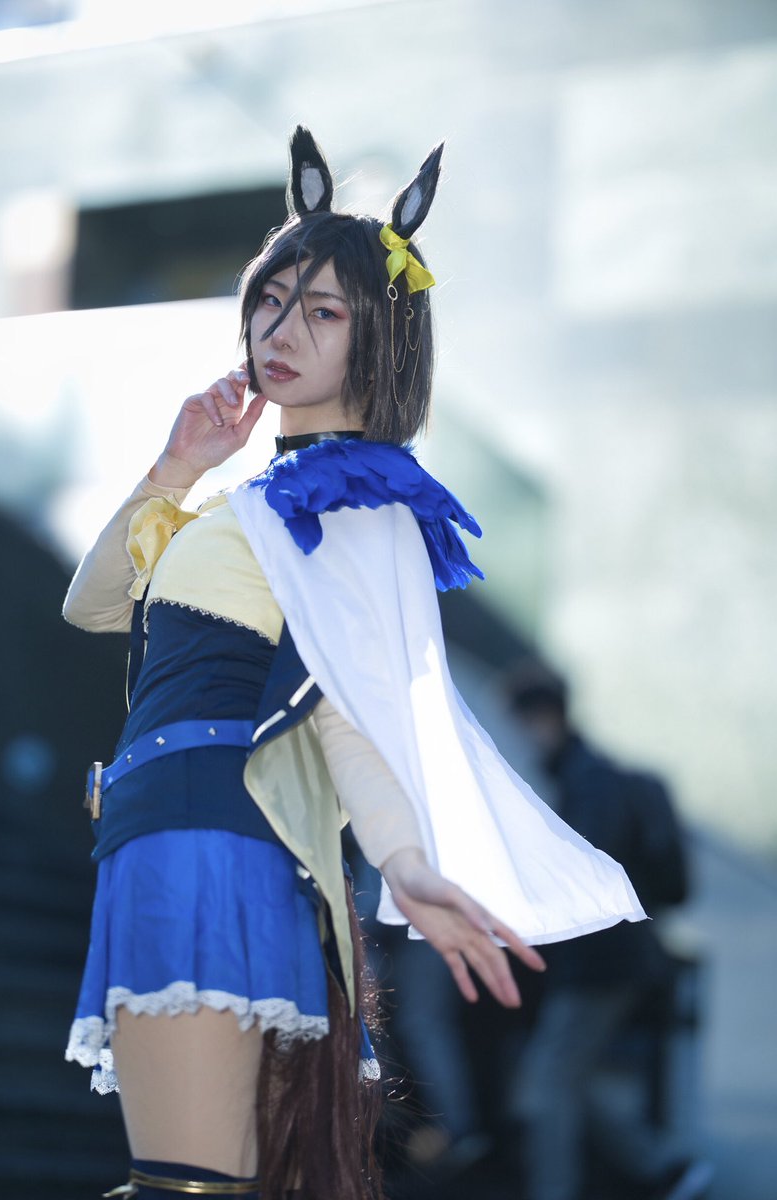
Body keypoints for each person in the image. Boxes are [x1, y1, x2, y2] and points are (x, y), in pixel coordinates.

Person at [62, 128, 645, 1200]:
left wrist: (406, 859)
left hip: (207, 840)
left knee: (183, 1187)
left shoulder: (350, 498)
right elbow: (94, 605)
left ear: (381, 335)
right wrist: (177, 464)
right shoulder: (256, 502)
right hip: (173, 834)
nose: (279, 328)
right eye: (271, 299)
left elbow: (345, 705)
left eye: (322, 311)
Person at [507, 666, 712, 1200]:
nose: (520, 736)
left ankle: (564, 1188)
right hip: (612, 960)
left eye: (521, 722)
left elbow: (583, 868)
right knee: (564, 1077)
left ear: (542, 716)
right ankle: (666, 1169)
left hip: (600, 962)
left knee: (548, 1079)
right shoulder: (585, 774)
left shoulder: (587, 781)